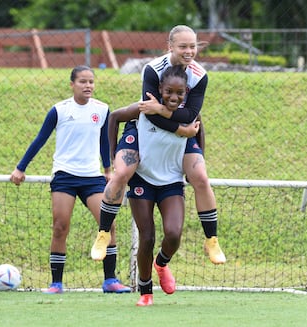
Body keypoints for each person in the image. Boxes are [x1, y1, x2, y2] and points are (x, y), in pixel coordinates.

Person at [91, 25, 226, 266]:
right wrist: (179, 126)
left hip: (179, 141)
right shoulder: (153, 70)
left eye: (193, 46)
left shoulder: (200, 75)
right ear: (170, 46)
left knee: (202, 179)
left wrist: (176, 122)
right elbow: (148, 113)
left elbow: (192, 115)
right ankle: (103, 233)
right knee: (121, 173)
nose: (189, 51)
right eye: (183, 46)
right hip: (148, 134)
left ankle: (212, 240)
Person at [10, 65, 130, 294]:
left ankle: (110, 281)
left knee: (108, 225)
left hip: (92, 178)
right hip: (64, 176)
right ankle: (56, 283)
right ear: (72, 84)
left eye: (91, 82)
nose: (88, 86)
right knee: (60, 227)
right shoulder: (59, 110)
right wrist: (20, 168)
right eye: (83, 81)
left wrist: (108, 169)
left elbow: (105, 142)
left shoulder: (103, 109)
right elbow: (40, 139)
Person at [108, 65, 200, 306]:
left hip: (171, 182)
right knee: (146, 237)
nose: (173, 97)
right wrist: (109, 160)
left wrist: (196, 163)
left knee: (173, 233)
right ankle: (145, 291)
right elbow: (114, 117)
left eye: (180, 93)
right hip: (143, 180)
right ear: (160, 89)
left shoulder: (189, 115)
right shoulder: (144, 108)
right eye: (168, 91)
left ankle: (162, 263)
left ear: (186, 92)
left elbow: (199, 131)